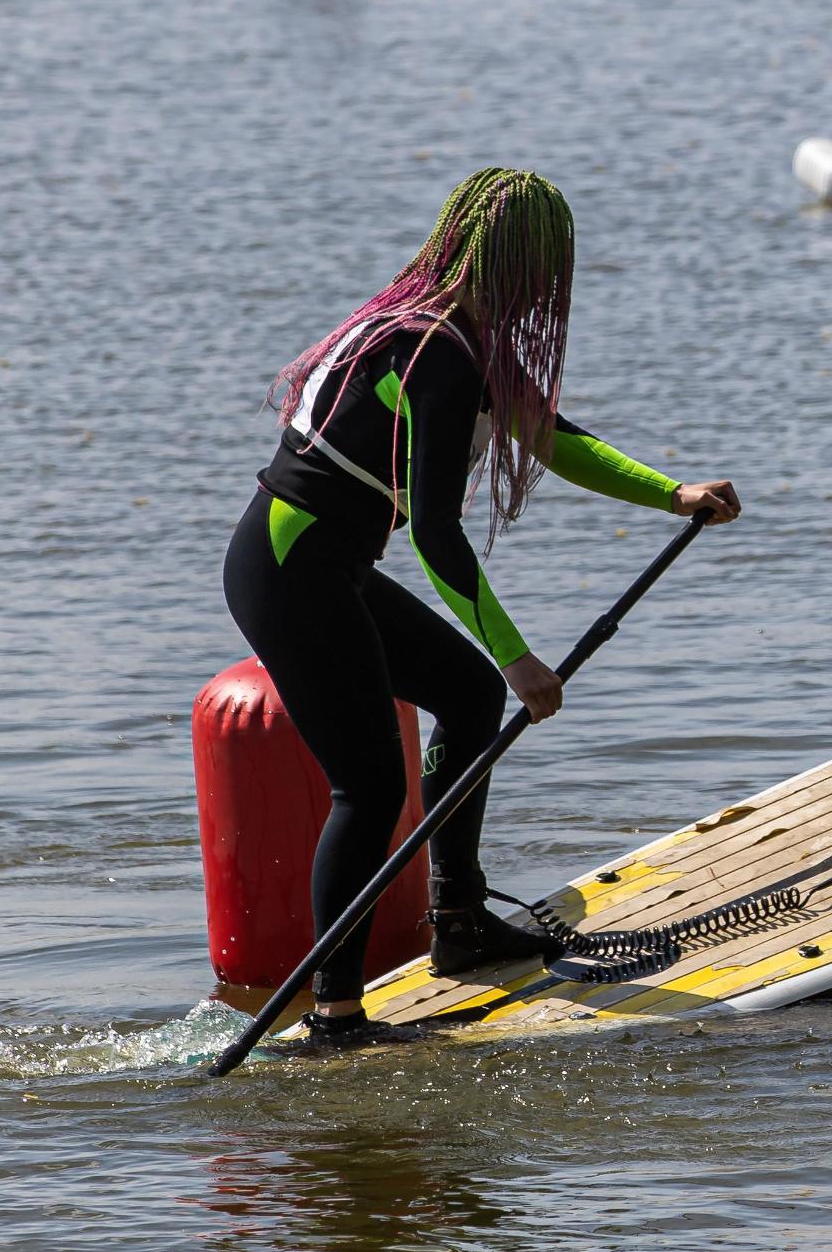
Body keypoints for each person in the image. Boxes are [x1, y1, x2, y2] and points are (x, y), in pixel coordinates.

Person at [221, 167, 742, 1051]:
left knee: (464, 697)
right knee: (372, 782)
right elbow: (435, 535)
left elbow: (549, 434)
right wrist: (518, 655)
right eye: (541, 269)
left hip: (323, 562)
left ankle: (458, 921)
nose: (547, 290)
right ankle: (336, 1017)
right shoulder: (436, 356)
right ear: (506, 264)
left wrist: (673, 493)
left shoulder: (455, 338)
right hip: (289, 569)